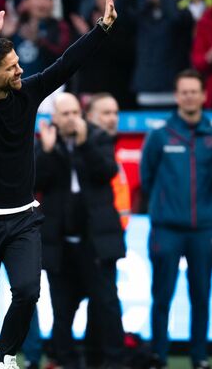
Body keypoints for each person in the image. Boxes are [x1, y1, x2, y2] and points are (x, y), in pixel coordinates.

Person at [0, 0, 117, 368]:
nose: (20, 70)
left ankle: (5, 355)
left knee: (27, 291)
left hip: (23, 217)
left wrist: (102, 28)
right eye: (11, 67)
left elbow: (65, 65)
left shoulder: (26, 94)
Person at [139, 70, 212, 369]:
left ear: (203, 95)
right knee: (161, 296)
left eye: (195, 91)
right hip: (166, 229)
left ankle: (200, 357)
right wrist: (164, 208)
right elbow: (146, 178)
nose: (190, 96)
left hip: (203, 230)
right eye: (184, 92)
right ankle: (158, 356)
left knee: (201, 296)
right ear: (177, 96)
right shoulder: (159, 135)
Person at [34, 92, 127, 368]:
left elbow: (106, 172)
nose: (72, 118)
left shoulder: (97, 138)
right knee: (63, 311)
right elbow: (35, 181)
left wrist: (85, 145)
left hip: (96, 242)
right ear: (54, 118)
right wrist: (48, 152)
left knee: (106, 306)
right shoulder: (45, 145)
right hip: (61, 245)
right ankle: (67, 362)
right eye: (66, 114)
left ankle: (111, 362)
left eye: (76, 112)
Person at [83, 92, 131, 368]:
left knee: (100, 304)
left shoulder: (110, 149)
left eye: (115, 112)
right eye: (106, 113)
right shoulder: (90, 150)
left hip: (109, 238)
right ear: (89, 117)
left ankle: (96, 359)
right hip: (89, 239)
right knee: (104, 304)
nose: (113, 118)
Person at [119, 0, 188, 107]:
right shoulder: (142, 17)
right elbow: (119, 15)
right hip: (146, 90)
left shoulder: (183, 14)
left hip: (173, 91)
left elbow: (176, 19)